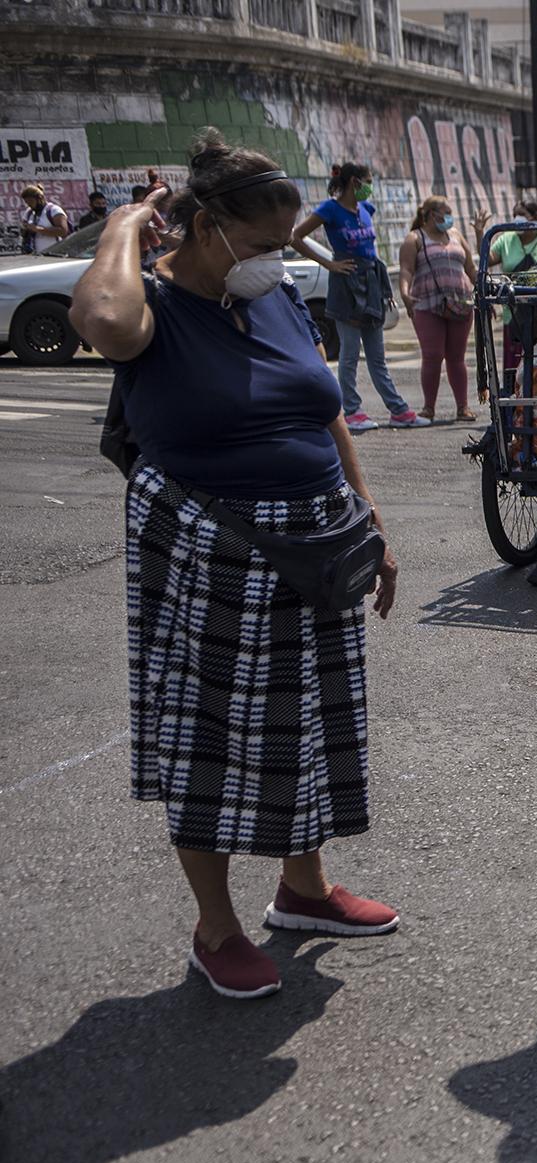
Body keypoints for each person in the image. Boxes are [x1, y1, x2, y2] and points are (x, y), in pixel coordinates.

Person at [70, 128, 402, 1000]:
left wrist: (367, 513)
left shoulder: (274, 297)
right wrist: (123, 225)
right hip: (210, 548)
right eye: (259, 246)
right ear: (206, 226)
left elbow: (324, 407)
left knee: (307, 726)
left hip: (315, 544)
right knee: (209, 736)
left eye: (283, 247)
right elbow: (101, 321)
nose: (274, 263)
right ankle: (215, 928)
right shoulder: (151, 304)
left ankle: (303, 888)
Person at [292, 162, 427, 432]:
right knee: (350, 354)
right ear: (354, 182)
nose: (370, 187)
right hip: (346, 286)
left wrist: (384, 290)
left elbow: (371, 252)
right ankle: (351, 411)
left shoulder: (366, 209)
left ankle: (398, 411)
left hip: (371, 283)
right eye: (367, 181)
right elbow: (295, 237)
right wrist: (329, 263)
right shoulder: (330, 209)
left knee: (377, 356)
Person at [397, 194, 486, 424]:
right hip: (427, 305)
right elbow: (406, 270)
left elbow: (471, 269)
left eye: (450, 212)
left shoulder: (455, 235)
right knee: (433, 355)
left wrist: (486, 293)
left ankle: (463, 407)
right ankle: (428, 408)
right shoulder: (415, 238)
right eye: (444, 213)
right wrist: (405, 294)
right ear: (429, 215)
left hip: (461, 304)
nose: (449, 217)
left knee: (457, 357)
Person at [489, 197, 537, 374]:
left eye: (522, 215)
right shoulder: (507, 238)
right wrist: (481, 234)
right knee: (514, 364)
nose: (517, 219)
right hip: (514, 313)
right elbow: (488, 259)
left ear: (534, 217)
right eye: (515, 215)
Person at [17, 185, 69, 254]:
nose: (29, 205)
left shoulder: (53, 210)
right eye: (26, 202)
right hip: (34, 255)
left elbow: (63, 231)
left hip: (53, 254)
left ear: (39, 199)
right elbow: (23, 229)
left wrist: (37, 229)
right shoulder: (29, 212)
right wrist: (25, 229)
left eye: (30, 202)